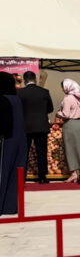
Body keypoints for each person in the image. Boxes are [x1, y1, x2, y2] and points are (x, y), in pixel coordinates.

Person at [17, 71, 54, 183]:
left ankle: (21, 178)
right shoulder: (44, 92)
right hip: (41, 126)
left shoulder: (20, 93)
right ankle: (42, 177)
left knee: (24, 153)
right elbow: (50, 109)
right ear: (35, 79)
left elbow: (17, 110)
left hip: (25, 127)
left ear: (24, 80)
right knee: (41, 152)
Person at [1, 72, 28, 214]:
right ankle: (10, 207)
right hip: (20, 140)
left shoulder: (3, 99)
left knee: (3, 172)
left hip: (6, 141)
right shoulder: (17, 99)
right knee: (14, 176)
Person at [56, 78, 80, 183]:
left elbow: (65, 114)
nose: (62, 90)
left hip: (70, 125)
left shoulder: (68, 98)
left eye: (63, 87)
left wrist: (58, 113)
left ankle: (74, 174)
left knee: (70, 150)